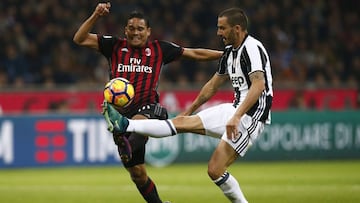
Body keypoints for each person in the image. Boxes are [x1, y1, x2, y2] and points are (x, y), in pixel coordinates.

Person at [102, 7, 273, 203]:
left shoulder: (252, 48)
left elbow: (259, 86)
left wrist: (236, 117)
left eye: (222, 28)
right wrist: (189, 111)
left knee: (215, 170)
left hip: (251, 114)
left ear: (237, 28)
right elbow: (212, 85)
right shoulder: (230, 53)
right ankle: (126, 124)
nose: (218, 33)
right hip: (234, 108)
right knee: (180, 122)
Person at [73, 3, 222, 203]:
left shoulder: (160, 49)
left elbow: (194, 54)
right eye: (131, 28)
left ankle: (126, 140)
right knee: (137, 174)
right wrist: (96, 15)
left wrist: (225, 55)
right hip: (121, 116)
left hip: (150, 110)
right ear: (125, 30)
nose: (136, 33)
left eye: (140, 29)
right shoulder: (114, 46)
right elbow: (79, 38)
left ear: (148, 31)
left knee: (138, 125)